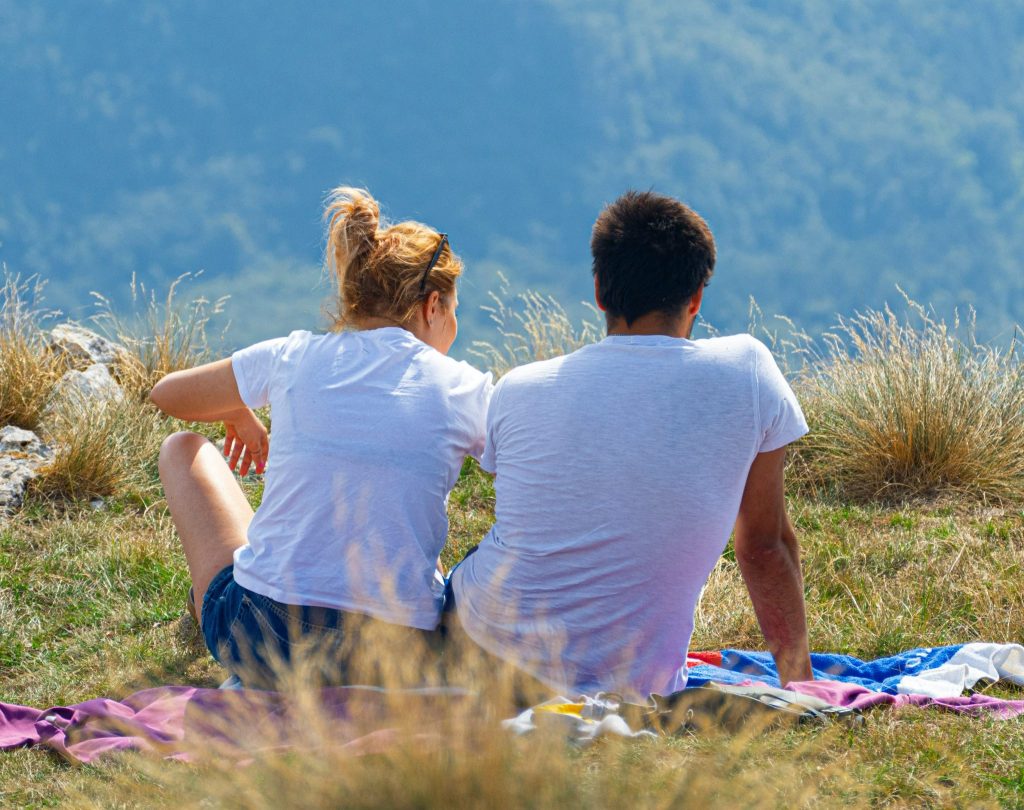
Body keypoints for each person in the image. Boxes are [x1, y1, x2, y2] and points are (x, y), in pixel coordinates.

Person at [446, 190, 813, 700]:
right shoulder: (748, 372)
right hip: (640, 682)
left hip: (486, 662)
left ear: (599, 291)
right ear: (696, 298)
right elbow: (764, 546)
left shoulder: (520, 388)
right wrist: (801, 688)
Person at [151, 187, 492, 689]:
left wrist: (239, 411)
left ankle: (208, 600)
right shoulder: (463, 387)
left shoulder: (294, 356)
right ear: (433, 305)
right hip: (396, 658)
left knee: (181, 448)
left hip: (264, 642)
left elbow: (168, 394)